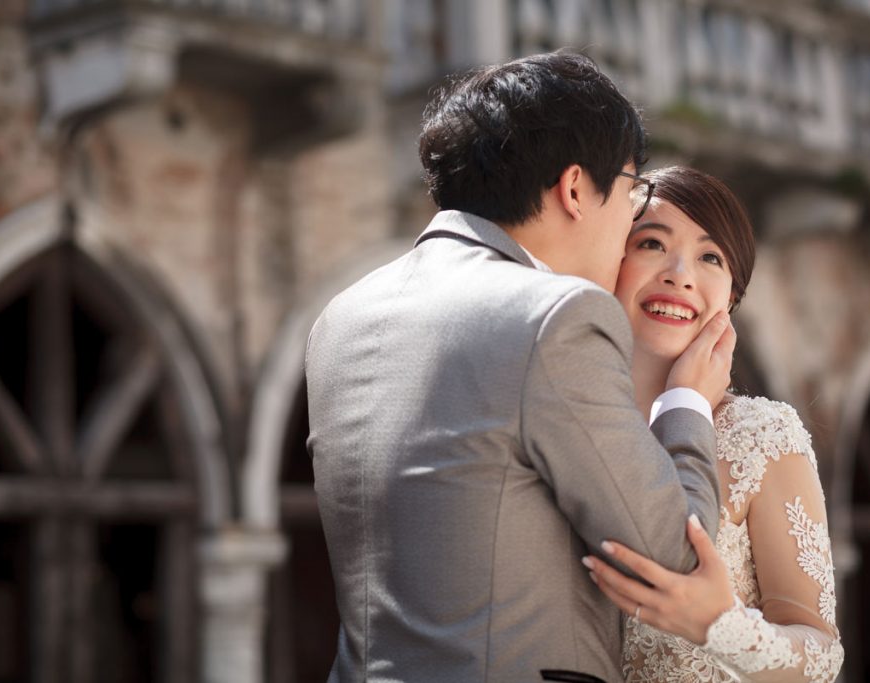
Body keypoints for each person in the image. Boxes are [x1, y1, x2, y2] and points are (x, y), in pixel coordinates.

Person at [304, 52, 735, 682]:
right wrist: (687, 402)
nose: (630, 221)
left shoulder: (341, 317)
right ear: (575, 189)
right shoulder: (555, 316)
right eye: (632, 191)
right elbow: (676, 554)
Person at [584, 166, 844, 682]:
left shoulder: (763, 437)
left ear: (731, 298)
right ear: (610, 261)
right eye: (652, 243)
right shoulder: (560, 416)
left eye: (711, 257)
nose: (680, 274)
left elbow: (821, 656)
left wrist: (719, 626)